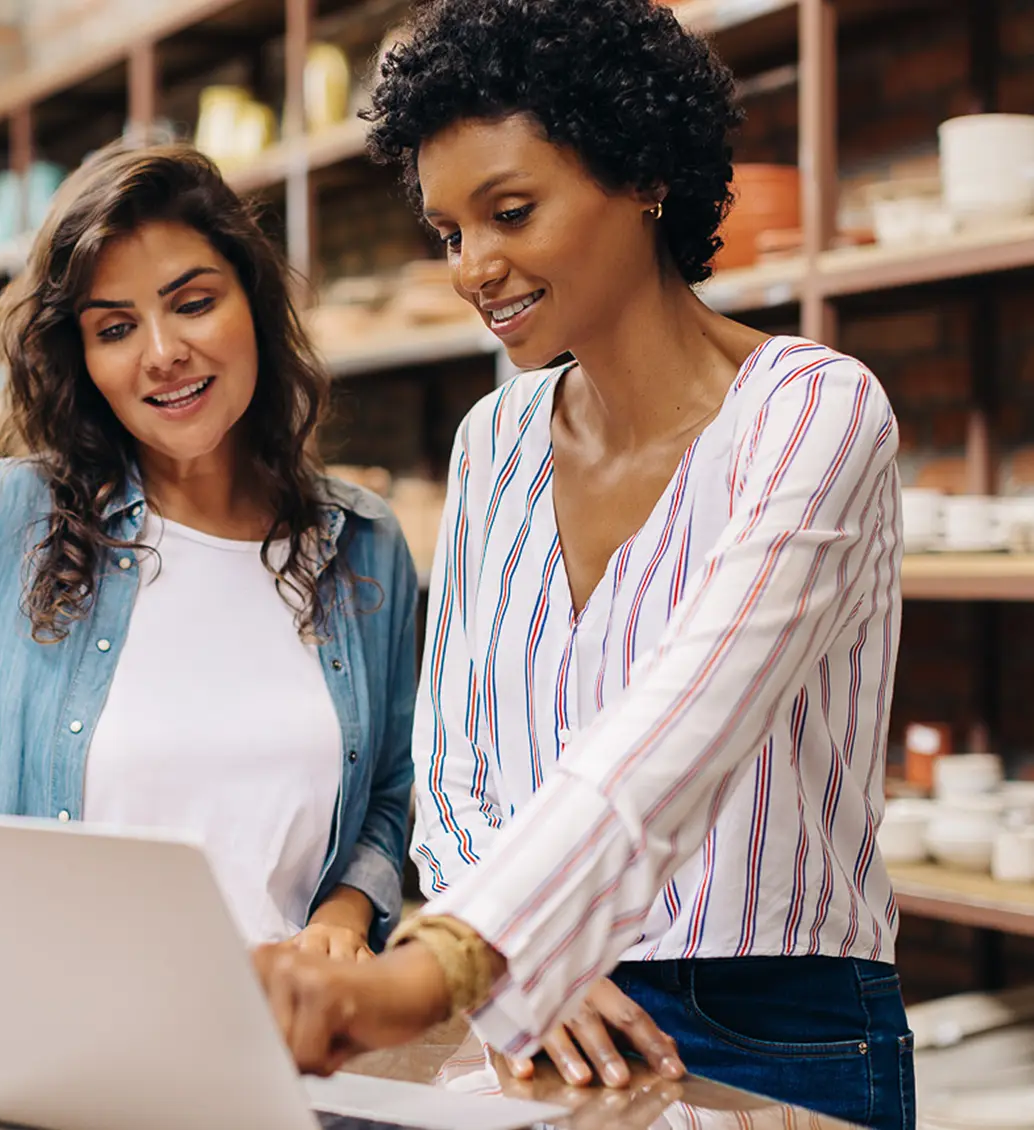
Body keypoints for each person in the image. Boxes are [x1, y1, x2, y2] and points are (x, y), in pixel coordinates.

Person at [252, 2, 912, 1127]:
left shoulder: (811, 413)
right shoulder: (492, 440)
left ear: (642, 173)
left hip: (775, 1026)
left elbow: (683, 721)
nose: (473, 267)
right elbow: (452, 758)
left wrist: (455, 956)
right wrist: (520, 971)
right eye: (448, 231)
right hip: (527, 1022)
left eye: (509, 212)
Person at [0, 141, 419, 959]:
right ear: (84, 360)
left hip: (299, 1043)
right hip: (60, 1032)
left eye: (194, 303)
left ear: (255, 305)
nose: (163, 351)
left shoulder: (362, 543)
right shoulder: (11, 521)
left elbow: (388, 786)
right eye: (116, 328)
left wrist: (346, 913)